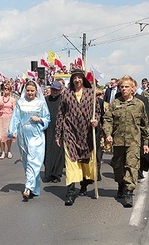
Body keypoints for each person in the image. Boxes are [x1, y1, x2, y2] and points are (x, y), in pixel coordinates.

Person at [103, 75, 149, 208]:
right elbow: (108, 120)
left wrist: (146, 143)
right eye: (122, 87)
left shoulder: (139, 104)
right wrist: (108, 134)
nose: (124, 89)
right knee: (117, 166)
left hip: (133, 142)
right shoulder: (115, 104)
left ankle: (129, 192)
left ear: (132, 88)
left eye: (126, 87)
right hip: (118, 141)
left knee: (132, 166)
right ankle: (121, 184)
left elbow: (144, 125)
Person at [55, 70, 100, 206]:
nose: (77, 80)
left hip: (86, 134)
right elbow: (60, 115)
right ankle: (70, 193)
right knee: (71, 162)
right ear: (72, 80)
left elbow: (97, 112)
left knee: (85, 161)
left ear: (83, 80)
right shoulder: (66, 95)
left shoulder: (91, 94)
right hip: (70, 133)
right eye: (75, 78)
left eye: (80, 78)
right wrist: (58, 134)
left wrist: (95, 120)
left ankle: (84, 185)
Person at [8, 80, 50, 200]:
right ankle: (34, 188)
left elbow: (47, 118)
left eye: (32, 90)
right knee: (27, 161)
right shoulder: (20, 102)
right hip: (23, 133)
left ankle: (28, 186)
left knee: (34, 160)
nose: (30, 93)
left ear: (36, 91)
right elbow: (15, 117)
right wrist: (12, 132)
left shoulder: (41, 103)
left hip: (36, 134)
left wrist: (40, 119)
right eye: (28, 91)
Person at [44, 81, 64, 183]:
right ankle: (48, 173)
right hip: (48, 129)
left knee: (58, 152)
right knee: (47, 150)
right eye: (53, 89)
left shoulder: (63, 100)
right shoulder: (45, 100)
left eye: (56, 90)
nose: (54, 92)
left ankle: (56, 174)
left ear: (60, 90)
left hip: (60, 129)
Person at [0, 83, 16, 159]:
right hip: (1, 118)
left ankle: (8, 150)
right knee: (0, 135)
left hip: (9, 118)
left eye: (8, 89)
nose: (6, 90)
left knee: (8, 135)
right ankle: (2, 152)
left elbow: (14, 109)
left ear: (10, 90)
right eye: (5, 88)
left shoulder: (12, 99)